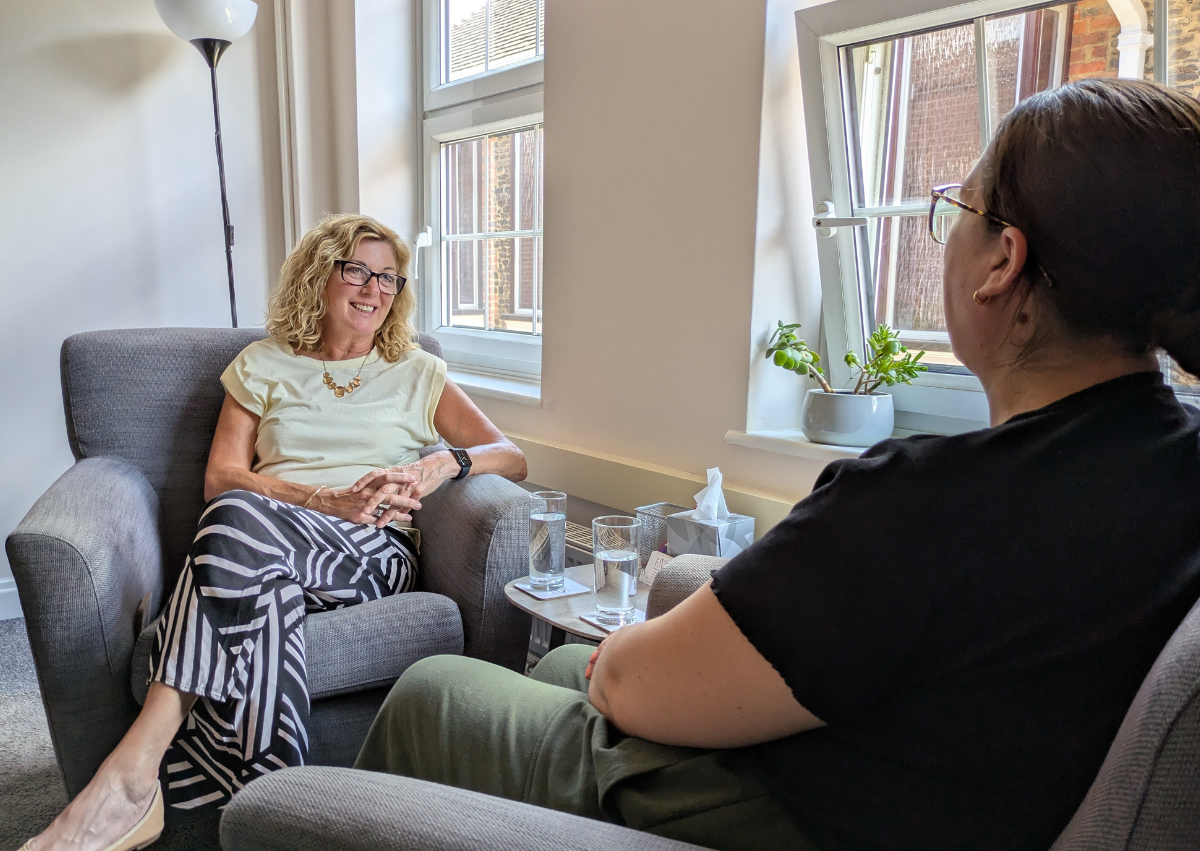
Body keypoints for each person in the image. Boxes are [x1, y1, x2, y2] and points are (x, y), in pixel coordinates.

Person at [353, 77, 1200, 851]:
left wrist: (631, 661)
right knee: (565, 664)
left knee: (438, 690)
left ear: (1003, 262)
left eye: (956, 209)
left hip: (802, 812)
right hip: (939, 792)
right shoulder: (1172, 462)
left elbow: (633, 686)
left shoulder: (930, 497)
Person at [23, 213, 527, 851]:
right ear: (320, 276)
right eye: (358, 270)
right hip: (262, 540)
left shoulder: (417, 370)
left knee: (235, 526)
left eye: (389, 278)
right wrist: (322, 498)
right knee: (244, 541)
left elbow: (511, 456)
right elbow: (221, 478)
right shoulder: (261, 364)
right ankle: (275, 799)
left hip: (371, 550)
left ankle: (131, 776)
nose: (374, 289)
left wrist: (442, 464)